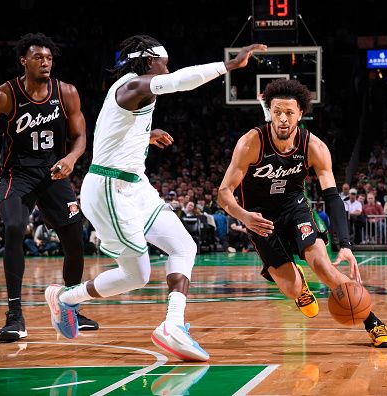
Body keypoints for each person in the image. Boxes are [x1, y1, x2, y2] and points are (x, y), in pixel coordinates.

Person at [43, 34, 266, 361]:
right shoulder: (132, 86)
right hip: (109, 188)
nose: (167, 66)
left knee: (184, 246)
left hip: (136, 186)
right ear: (149, 61)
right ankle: (68, 298)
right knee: (137, 275)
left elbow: (112, 134)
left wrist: (146, 135)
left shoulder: (133, 92)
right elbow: (179, 81)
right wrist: (228, 65)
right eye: (164, 61)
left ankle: (173, 325)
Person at [218, 79, 387, 348]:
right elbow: (224, 193)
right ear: (269, 112)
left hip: (295, 209)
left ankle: (372, 321)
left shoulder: (314, 147)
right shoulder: (251, 143)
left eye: (289, 112)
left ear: (300, 113)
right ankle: (300, 289)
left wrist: (344, 245)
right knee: (290, 288)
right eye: (277, 111)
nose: (283, 119)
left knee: (324, 266)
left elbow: (333, 197)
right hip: (259, 218)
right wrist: (243, 217)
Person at [0, 32, 98, 343]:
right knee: (14, 228)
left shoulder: (66, 92)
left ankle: (70, 306)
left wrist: (71, 157)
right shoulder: (5, 95)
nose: (45, 62)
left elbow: (80, 136)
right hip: (17, 174)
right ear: (23, 61)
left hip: (54, 173)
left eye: (49, 58)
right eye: (38, 57)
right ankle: (15, 315)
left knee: (75, 237)